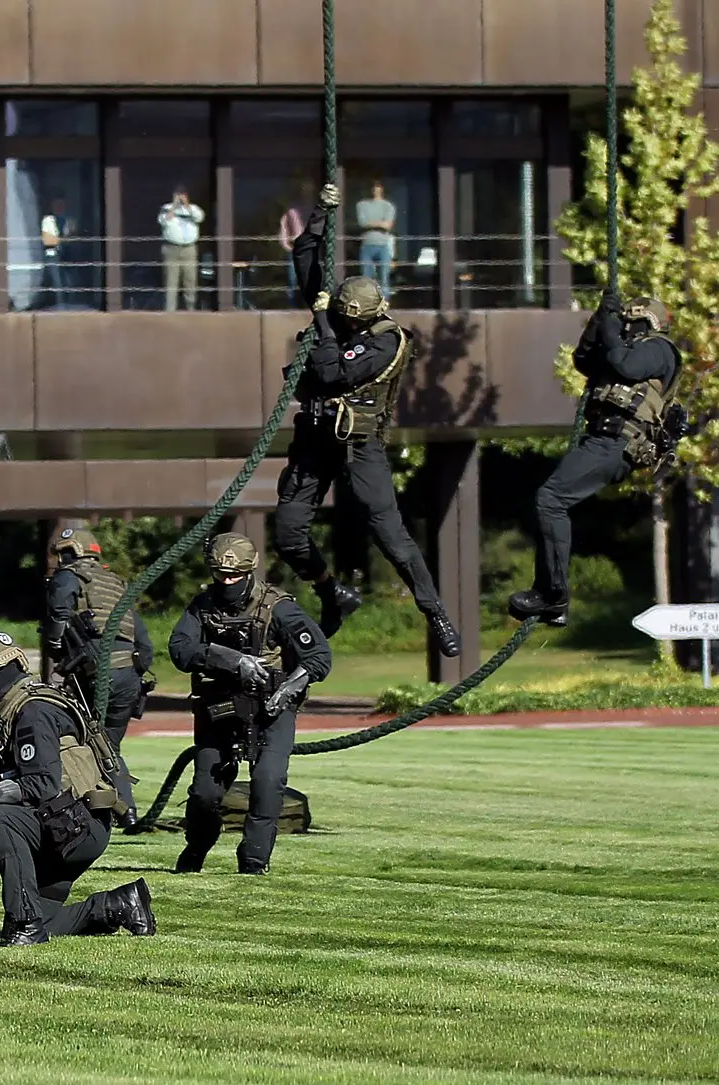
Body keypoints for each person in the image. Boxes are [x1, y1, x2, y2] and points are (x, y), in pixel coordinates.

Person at [278, 181, 462, 659]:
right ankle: (331, 592)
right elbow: (306, 257)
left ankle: (434, 610)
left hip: (360, 445)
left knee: (390, 534)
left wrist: (319, 324)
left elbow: (333, 371)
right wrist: (320, 213)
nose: (343, 324)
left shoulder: (385, 340)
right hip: (316, 441)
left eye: (347, 321)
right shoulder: (339, 319)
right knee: (288, 532)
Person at [0, 632, 157, 946]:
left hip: (74, 825)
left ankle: (27, 927)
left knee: (0, 818)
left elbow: (42, 784)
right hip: (58, 824)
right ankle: (120, 905)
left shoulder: (34, 711)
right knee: (45, 918)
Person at [510, 293, 683, 625]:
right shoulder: (621, 346)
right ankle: (552, 597)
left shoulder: (660, 350)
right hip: (601, 440)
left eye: (628, 323)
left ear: (645, 323)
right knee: (549, 500)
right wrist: (600, 318)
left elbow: (625, 365)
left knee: (550, 499)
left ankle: (553, 596)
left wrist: (611, 328)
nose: (623, 330)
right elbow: (584, 359)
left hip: (617, 443)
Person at [168, 533, 332, 875]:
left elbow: (318, 656)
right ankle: (197, 848)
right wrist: (229, 660)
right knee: (204, 793)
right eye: (221, 575)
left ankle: (254, 861)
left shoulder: (279, 607)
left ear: (250, 570)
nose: (227, 581)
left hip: (271, 709)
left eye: (235, 575)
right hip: (219, 708)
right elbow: (180, 650)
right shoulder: (202, 607)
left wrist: (288, 688)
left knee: (267, 783)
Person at [41, 526, 152, 820]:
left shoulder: (69, 577)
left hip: (98, 673)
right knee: (107, 743)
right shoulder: (117, 584)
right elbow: (143, 640)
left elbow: (58, 616)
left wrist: (54, 647)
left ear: (71, 553)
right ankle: (125, 810)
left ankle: (103, 806)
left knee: (80, 740)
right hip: (129, 676)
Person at [158, 184, 205, 312]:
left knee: (190, 281)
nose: (180, 197)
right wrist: (174, 205)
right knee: (171, 283)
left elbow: (199, 218)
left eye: (183, 194)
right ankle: (170, 312)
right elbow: (164, 221)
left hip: (189, 250)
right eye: (178, 194)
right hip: (171, 249)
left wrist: (187, 205)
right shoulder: (166, 208)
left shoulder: (193, 209)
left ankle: (190, 310)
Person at [355, 182, 397, 295]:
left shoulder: (388, 206)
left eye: (378, 187)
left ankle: (383, 305)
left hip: (383, 245)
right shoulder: (362, 205)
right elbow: (362, 222)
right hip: (366, 244)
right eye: (373, 187)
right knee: (366, 279)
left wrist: (371, 223)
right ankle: (367, 304)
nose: (375, 189)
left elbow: (388, 225)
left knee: (384, 278)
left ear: (382, 189)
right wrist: (380, 223)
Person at [39, 197, 74, 309]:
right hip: (52, 253)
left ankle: (65, 302)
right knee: (56, 280)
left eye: (61, 205)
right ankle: (59, 303)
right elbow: (49, 239)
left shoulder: (66, 220)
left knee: (66, 279)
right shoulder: (48, 220)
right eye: (57, 205)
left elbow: (69, 236)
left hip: (65, 254)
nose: (59, 208)